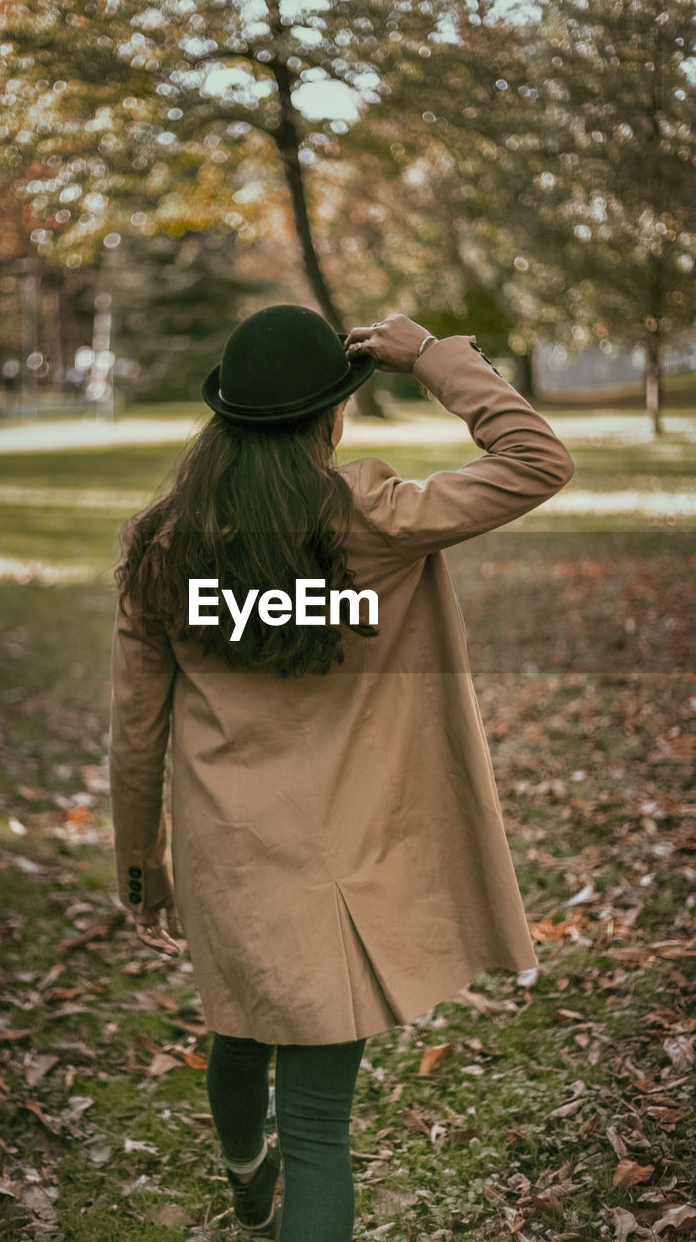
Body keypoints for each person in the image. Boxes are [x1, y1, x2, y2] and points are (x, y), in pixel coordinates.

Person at [109, 306, 575, 1239]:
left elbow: (134, 733)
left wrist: (141, 867)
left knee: (237, 1021)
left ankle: (244, 1170)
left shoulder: (162, 544)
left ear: (227, 421)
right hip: (343, 871)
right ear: (331, 419)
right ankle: (261, 1170)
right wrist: (437, 358)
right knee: (318, 1132)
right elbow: (537, 460)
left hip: (228, 858)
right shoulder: (373, 519)